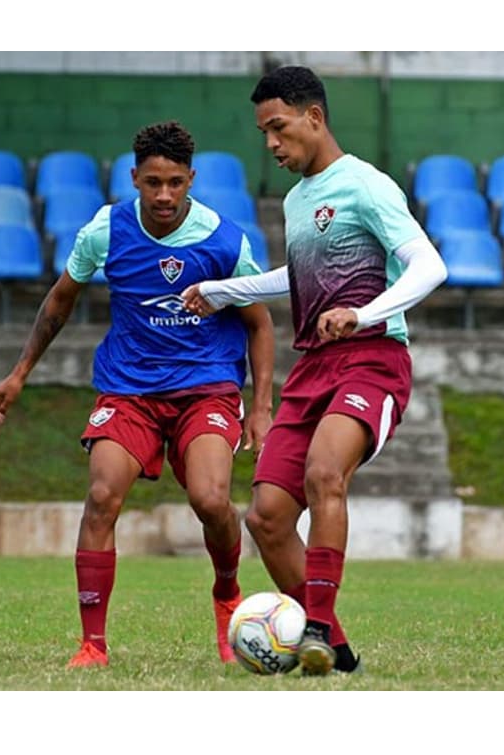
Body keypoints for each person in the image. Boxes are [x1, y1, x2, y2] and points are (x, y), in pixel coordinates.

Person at [182, 65, 448, 675]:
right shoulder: (301, 198)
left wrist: (364, 312)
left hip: (372, 361)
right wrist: (224, 290)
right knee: (267, 517)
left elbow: (429, 267)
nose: (271, 144)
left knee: (326, 474)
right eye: (263, 133)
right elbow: (297, 277)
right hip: (312, 369)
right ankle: (336, 649)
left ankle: (317, 624)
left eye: (277, 128)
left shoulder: (367, 186)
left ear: (315, 118)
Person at [0, 121, 274, 668]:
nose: (164, 195)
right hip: (129, 389)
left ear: (191, 179)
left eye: (175, 183)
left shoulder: (225, 240)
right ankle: (92, 645)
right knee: (101, 497)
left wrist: (260, 406)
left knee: (212, 501)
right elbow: (60, 301)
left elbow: (259, 324)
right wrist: (19, 372)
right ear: (135, 177)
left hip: (205, 388)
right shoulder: (106, 231)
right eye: (153, 183)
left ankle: (227, 593)